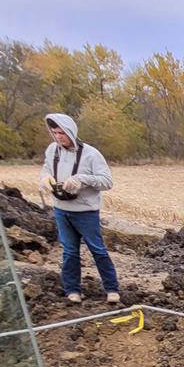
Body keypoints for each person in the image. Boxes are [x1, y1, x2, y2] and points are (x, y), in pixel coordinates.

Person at [39, 112, 120, 304]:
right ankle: (72, 290)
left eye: (62, 133)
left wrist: (82, 180)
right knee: (69, 251)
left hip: (85, 212)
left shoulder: (91, 154)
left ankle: (112, 289)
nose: (59, 137)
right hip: (61, 209)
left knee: (97, 250)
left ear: (71, 132)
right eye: (55, 133)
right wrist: (45, 179)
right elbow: (46, 169)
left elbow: (107, 182)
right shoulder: (52, 151)